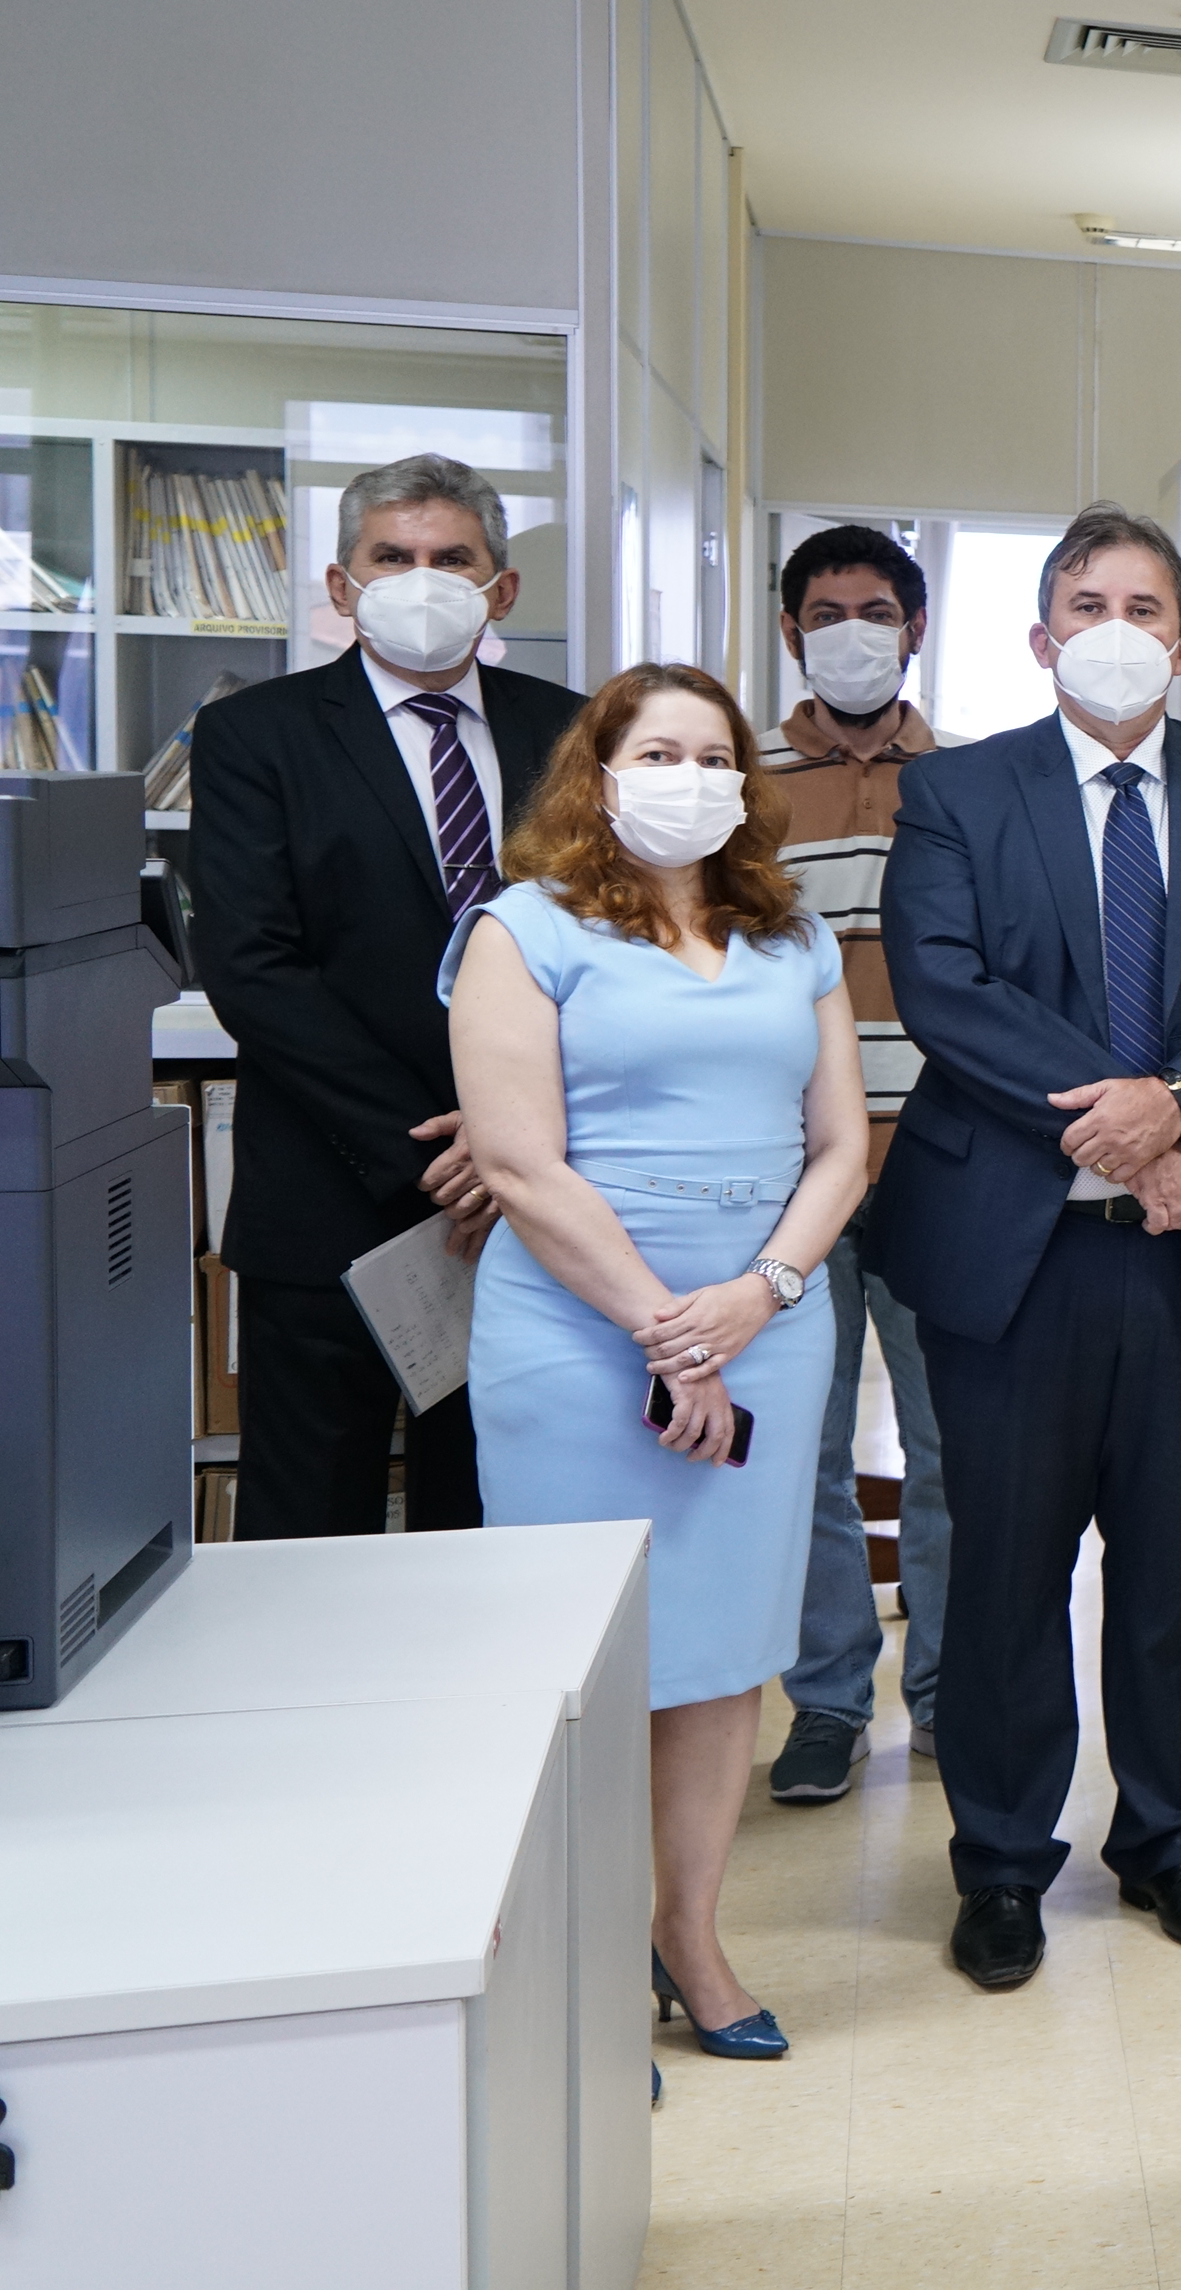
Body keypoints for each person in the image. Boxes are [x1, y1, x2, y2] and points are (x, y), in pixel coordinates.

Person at [867, 503, 1181, 1993]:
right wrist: (1122, 1128)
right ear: (1039, 636)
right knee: (1010, 1567)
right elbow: (944, 990)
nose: (1116, 626)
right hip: (1017, 1249)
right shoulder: (957, 792)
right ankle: (1005, 1864)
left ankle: (1172, 1841)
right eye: (1086, 602)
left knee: (1173, 1566)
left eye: (1144, 604)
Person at [445, 664, 866, 2061]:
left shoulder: (787, 930)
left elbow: (840, 1146)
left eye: (712, 754)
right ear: (601, 773)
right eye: (657, 752)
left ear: (743, 783)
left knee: (721, 1650)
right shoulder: (525, 930)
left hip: (769, 1323)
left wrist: (760, 1295)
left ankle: (687, 1931)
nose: (687, 776)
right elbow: (515, 1162)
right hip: (579, 1333)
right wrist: (662, 1330)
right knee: (587, 1655)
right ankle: (569, 1960)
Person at [191, 452, 580, 1539]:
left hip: (531, 1210)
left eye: (452, 558)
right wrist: (436, 1146)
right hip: (331, 1203)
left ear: (501, 590)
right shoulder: (255, 736)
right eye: (392, 557)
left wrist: (509, 1142)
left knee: (490, 1528)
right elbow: (254, 967)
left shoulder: (574, 733)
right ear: (340, 585)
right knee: (309, 1534)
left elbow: (606, 955)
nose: (422, 577)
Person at [759, 522, 957, 1807]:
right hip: (795, 1176)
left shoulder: (977, 779)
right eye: (826, 611)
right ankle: (829, 1697)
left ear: (916, 628)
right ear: (790, 632)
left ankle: (945, 1690)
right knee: (803, 1452)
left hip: (948, 1168)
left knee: (955, 1451)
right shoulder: (742, 786)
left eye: (876, 609)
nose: (852, 631)